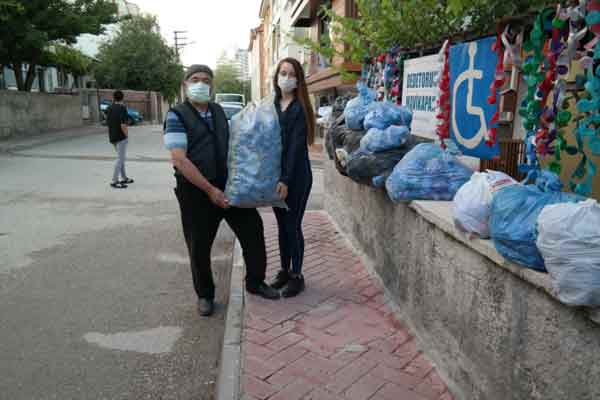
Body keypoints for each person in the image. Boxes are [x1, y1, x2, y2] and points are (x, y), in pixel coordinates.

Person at [163, 64, 280, 317]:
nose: (201, 84)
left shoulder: (218, 111)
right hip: (196, 192)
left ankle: (255, 282)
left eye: (206, 80)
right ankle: (205, 295)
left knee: (253, 231)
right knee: (199, 245)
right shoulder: (176, 116)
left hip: (229, 187)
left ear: (212, 86)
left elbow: (239, 144)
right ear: (185, 84)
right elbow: (180, 160)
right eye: (195, 79)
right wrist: (209, 190)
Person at [269, 58, 316, 298]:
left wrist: (286, 180)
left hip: (296, 178)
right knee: (281, 227)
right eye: (282, 73)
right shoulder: (273, 105)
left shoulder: (299, 108)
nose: (286, 78)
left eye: (291, 74)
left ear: (298, 80)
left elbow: (296, 148)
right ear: (276, 77)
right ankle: (284, 271)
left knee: (292, 225)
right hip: (277, 178)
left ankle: (297, 275)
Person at [107, 90, 134, 189]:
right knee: (120, 159)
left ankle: (124, 178)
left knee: (120, 158)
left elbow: (108, 123)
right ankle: (114, 181)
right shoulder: (122, 108)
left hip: (112, 136)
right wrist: (127, 135)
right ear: (122, 98)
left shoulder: (109, 108)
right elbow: (123, 124)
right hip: (121, 137)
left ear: (114, 98)